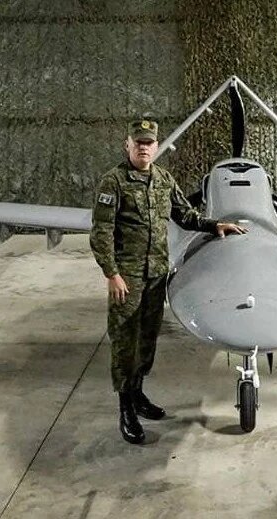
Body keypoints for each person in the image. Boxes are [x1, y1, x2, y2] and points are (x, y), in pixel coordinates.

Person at [90, 119, 246, 444]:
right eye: (138, 142)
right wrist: (112, 274)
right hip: (128, 277)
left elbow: (184, 215)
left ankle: (138, 395)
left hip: (156, 275)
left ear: (156, 146)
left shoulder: (163, 179)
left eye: (149, 142)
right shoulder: (113, 182)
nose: (143, 147)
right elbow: (101, 234)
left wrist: (214, 225)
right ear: (128, 144)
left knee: (147, 340)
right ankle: (126, 408)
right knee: (125, 343)